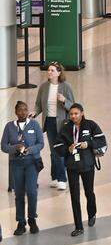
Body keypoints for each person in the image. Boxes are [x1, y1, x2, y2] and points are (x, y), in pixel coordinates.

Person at [54, 103, 106, 237]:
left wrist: (88, 144)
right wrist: (67, 149)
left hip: (87, 165)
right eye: (71, 114)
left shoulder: (91, 125)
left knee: (89, 192)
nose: (73, 116)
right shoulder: (65, 128)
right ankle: (78, 226)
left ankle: (92, 213)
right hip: (72, 167)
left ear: (82, 113)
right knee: (74, 196)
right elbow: (57, 146)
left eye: (76, 113)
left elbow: (102, 141)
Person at [3, 100, 44, 235]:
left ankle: (32, 219)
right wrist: (16, 148)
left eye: (25, 109)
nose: (23, 112)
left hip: (32, 162)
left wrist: (30, 150)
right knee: (19, 193)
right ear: (15, 112)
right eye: (20, 110)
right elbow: (3, 146)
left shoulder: (34, 124)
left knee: (32, 192)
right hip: (16, 164)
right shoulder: (9, 126)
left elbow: (41, 144)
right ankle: (21, 222)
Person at [32, 60, 75, 191]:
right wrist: (35, 112)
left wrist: (64, 101)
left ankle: (62, 179)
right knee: (54, 151)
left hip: (62, 123)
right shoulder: (44, 87)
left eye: (52, 70)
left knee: (59, 151)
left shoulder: (66, 86)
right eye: (48, 70)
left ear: (59, 73)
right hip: (49, 122)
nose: (49, 72)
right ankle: (55, 177)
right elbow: (39, 104)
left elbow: (73, 106)